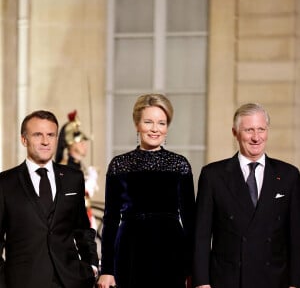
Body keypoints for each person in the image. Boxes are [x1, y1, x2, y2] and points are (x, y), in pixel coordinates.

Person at [193, 103, 300, 288]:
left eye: (261, 129)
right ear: (235, 133)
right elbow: (201, 236)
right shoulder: (213, 175)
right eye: (249, 130)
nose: (256, 137)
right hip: (228, 280)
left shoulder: (289, 175)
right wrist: (202, 283)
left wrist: (295, 283)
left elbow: (296, 235)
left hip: (275, 280)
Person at [97, 94, 195, 288]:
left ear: (167, 127)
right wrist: (107, 269)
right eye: (148, 122)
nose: (155, 129)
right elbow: (110, 220)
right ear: (137, 124)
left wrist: (194, 270)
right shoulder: (119, 165)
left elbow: (191, 221)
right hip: (130, 251)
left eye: (161, 123)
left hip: (171, 250)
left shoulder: (180, 165)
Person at [0, 110, 99, 288]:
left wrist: (91, 266)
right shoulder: (5, 183)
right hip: (21, 281)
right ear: (24, 140)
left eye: (51, 135)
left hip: (70, 281)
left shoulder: (73, 178)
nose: (45, 141)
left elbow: (83, 229)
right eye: (38, 135)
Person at [55, 110, 99, 230]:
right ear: (71, 144)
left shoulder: (81, 166)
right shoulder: (63, 168)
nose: (85, 145)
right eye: (81, 142)